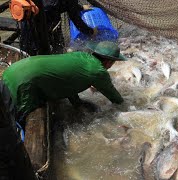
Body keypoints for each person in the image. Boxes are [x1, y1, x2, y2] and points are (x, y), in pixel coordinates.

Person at [0, 41, 126, 179]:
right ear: (109, 62)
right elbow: (114, 97)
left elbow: (68, 80)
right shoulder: (98, 71)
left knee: (6, 112)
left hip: (13, 70)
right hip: (25, 83)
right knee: (16, 122)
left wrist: (77, 103)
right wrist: (128, 107)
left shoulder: (81, 56)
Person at [20, 0, 98, 55]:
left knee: (25, 49)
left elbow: (66, 3)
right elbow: (75, 18)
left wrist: (80, 7)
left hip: (29, 15)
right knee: (42, 50)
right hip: (43, 22)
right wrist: (90, 31)